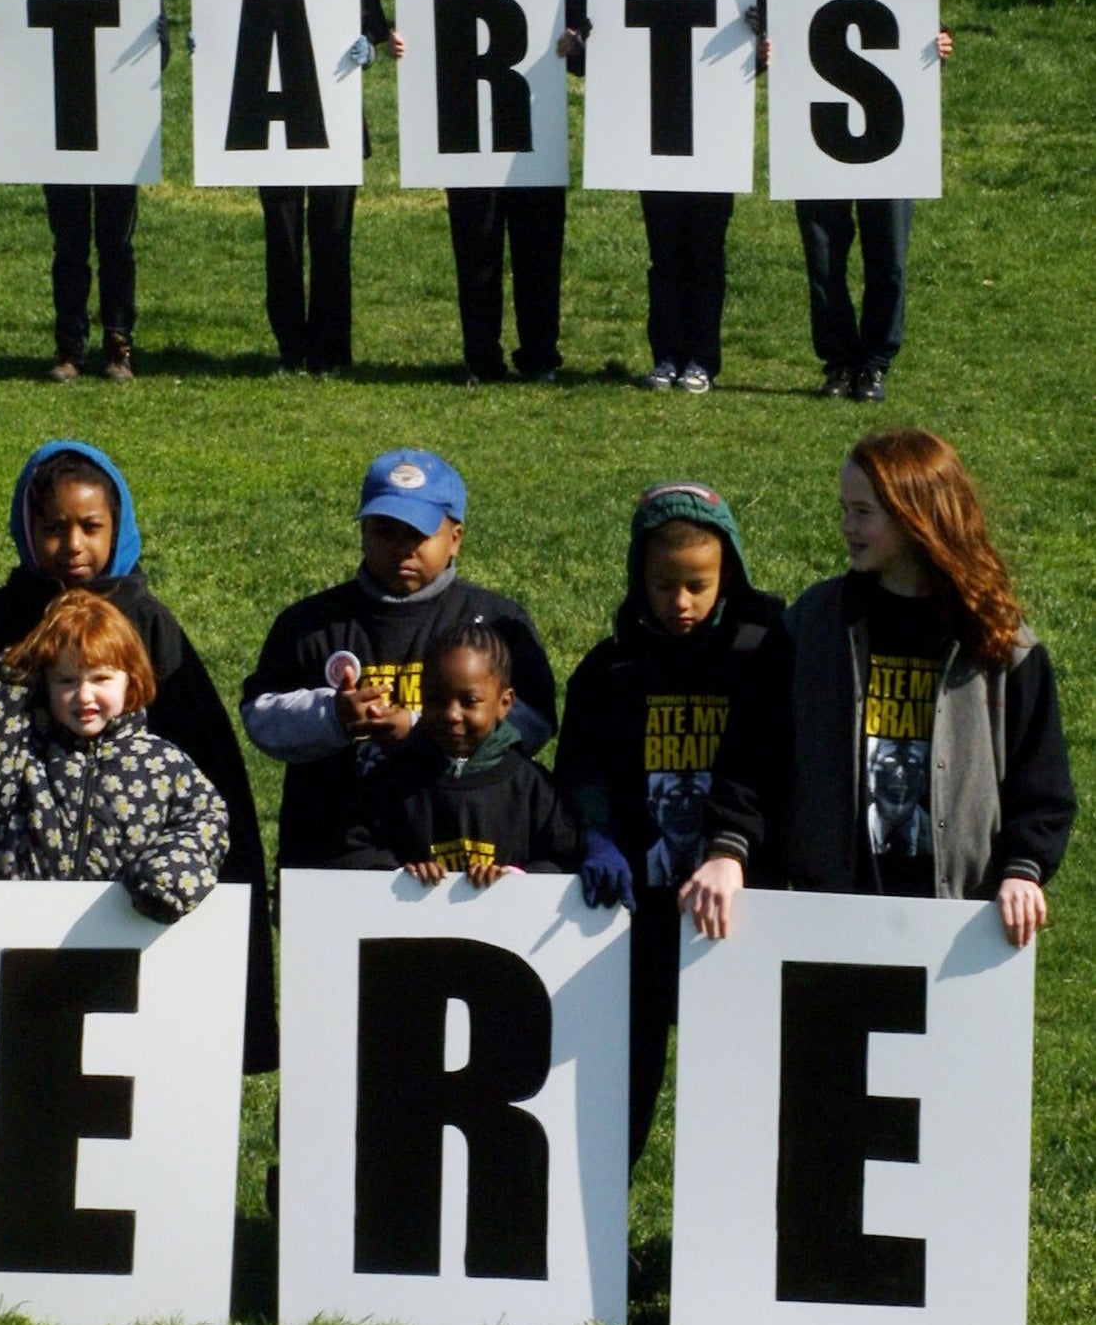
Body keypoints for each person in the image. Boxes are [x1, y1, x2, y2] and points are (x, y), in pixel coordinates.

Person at [0, 437, 276, 1064]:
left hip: (129, 903)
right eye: (53, 528)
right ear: (28, 530)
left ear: (118, 525)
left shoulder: (147, 621)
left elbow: (209, 791)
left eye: (90, 526)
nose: (72, 545)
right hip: (15, 899)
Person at [682, 430, 1076, 953]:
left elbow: (1041, 785)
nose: (847, 527)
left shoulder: (1001, 641)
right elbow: (751, 759)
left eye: (863, 512)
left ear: (916, 517)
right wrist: (727, 852)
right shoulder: (809, 627)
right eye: (845, 509)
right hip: (829, 918)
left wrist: (1023, 871)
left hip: (955, 931)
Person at [555, 483, 785, 1166]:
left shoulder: (762, 659)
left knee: (743, 1081)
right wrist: (595, 837)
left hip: (738, 909)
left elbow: (779, 770)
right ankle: (597, 1234)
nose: (680, 603)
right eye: (663, 585)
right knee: (619, 1079)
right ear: (637, 578)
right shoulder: (610, 669)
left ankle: (736, 1241)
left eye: (698, 585)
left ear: (729, 575)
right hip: (639, 913)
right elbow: (580, 772)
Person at [241, 447, 558, 871]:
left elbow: (535, 723)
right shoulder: (311, 623)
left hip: (460, 860)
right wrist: (333, 715)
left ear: (455, 539)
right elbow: (260, 719)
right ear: (363, 532)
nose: (401, 549)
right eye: (385, 532)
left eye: (418, 535)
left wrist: (418, 723)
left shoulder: (494, 623)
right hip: (330, 857)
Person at [0, 591, 229, 920]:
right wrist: (7, 685)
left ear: (130, 680)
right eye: (66, 680)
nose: (84, 695)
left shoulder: (162, 763)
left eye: (101, 678)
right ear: (43, 685)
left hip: (124, 937)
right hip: (23, 932)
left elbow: (207, 820)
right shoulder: (21, 755)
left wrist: (167, 874)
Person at [788, 0, 951, 401]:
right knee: (824, 257)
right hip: (821, 140)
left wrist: (938, 47)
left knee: (889, 256)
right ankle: (838, 362)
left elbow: (917, 58)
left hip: (888, 143)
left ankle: (875, 362)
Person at [256, 0, 397, 373]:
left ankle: (332, 350)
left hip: (335, 122)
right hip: (276, 123)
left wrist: (371, 49)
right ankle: (291, 348)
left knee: (333, 239)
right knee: (285, 238)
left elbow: (376, 32)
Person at [443, 0, 567, 384]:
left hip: (535, 136)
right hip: (472, 136)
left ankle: (539, 356)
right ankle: (481, 357)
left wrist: (577, 44)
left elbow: (587, 41)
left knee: (539, 253)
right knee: (476, 252)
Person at [340, 619, 578, 887]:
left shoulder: (533, 788)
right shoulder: (390, 777)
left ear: (504, 703)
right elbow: (354, 851)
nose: (452, 715)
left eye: (469, 702)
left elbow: (565, 860)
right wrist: (401, 878)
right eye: (436, 699)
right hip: (411, 927)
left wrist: (513, 882)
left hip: (502, 927)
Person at [42, 0, 165, 383]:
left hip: (118, 128)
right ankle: (69, 346)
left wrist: (158, 40)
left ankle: (119, 344)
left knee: (116, 242)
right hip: (63, 128)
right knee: (68, 243)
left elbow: (162, 54)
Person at [637, 0, 736, 391]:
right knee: (665, 256)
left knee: (705, 254)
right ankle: (666, 354)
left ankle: (702, 357)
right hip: (658, 136)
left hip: (713, 141)